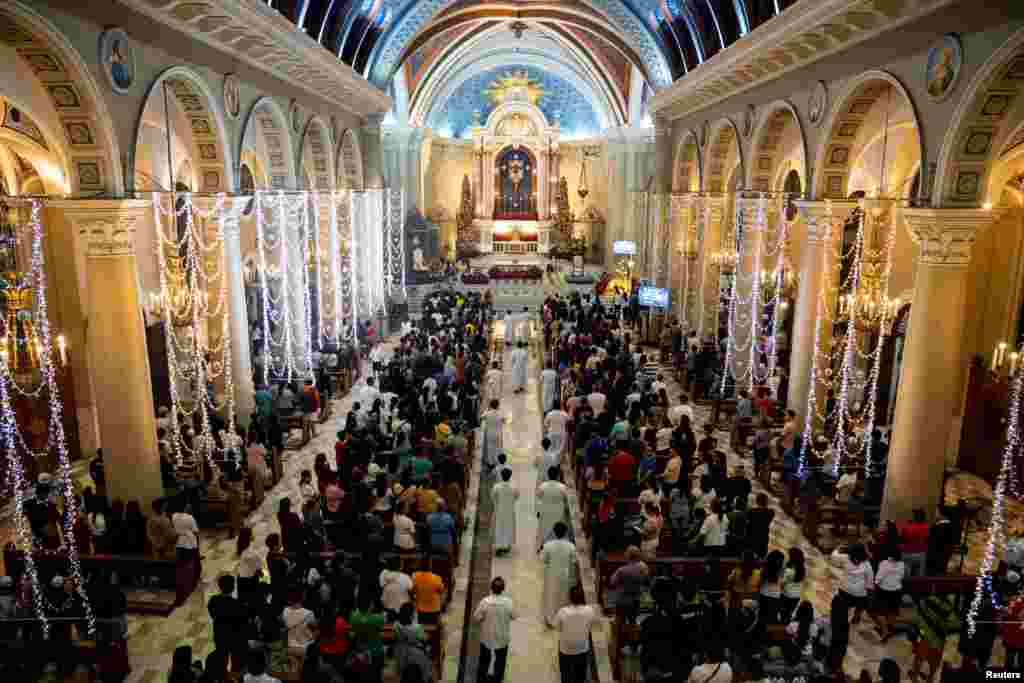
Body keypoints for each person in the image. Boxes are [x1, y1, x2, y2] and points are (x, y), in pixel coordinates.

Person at [473, 577, 518, 683]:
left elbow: (476, 618)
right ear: (503, 589)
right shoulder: (508, 602)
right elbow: (514, 616)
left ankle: (481, 679)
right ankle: (497, 679)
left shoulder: (485, 602)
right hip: (502, 638)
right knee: (500, 661)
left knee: (484, 660)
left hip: (486, 637)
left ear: (491, 588)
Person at [911, 592, 959, 683]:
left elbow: (920, 614)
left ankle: (920, 677)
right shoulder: (936, 599)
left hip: (932, 635)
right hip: (933, 635)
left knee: (924, 657)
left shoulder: (936, 598)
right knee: (926, 657)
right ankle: (925, 677)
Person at [554, 586, 597, 683]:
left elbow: (556, 626)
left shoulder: (563, 612)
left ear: (570, 598)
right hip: (582, 648)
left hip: (566, 649)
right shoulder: (589, 611)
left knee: (566, 675)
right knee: (580, 675)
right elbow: (593, 625)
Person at [208, 575, 247, 672]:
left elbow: (212, 614)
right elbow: (242, 622)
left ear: (219, 587)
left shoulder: (213, 600)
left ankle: (222, 676)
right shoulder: (237, 604)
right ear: (233, 587)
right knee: (236, 661)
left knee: (221, 659)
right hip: (234, 637)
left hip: (219, 634)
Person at [541, 522, 577, 626]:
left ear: (554, 532)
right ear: (566, 532)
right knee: (563, 596)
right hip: (565, 575)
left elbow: (543, 560)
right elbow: (574, 561)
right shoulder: (571, 546)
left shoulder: (548, 545)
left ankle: (550, 619)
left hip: (551, 575)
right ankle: (562, 620)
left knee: (551, 596)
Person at [831, 544, 874, 624]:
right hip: (859, 592)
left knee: (844, 605)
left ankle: (842, 618)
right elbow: (870, 580)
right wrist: (869, 591)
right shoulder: (866, 564)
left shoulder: (845, 558)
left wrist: (837, 549)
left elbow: (834, 559)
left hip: (845, 589)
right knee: (860, 605)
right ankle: (856, 617)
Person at [609, 546, 649, 623]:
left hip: (622, 600)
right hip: (636, 599)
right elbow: (646, 581)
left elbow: (612, 582)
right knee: (632, 621)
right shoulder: (643, 569)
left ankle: (621, 634)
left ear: (627, 556)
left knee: (620, 622)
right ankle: (633, 634)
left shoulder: (621, 570)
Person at [874, 546, 906, 642]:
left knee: (879, 612)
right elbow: (901, 576)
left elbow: (879, 578)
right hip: (897, 591)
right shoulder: (902, 564)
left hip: (884, 591)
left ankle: (885, 631)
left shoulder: (884, 564)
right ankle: (889, 628)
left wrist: (874, 584)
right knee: (892, 611)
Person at [536, 466, 570, 548]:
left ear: (548, 475)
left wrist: (538, 510)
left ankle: (545, 544)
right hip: (558, 511)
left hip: (546, 510)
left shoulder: (542, 486)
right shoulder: (563, 487)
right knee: (557, 528)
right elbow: (566, 499)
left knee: (545, 528)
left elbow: (538, 497)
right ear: (557, 475)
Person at [492, 468, 519, 555]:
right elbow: (516, 497)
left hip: (499, 509)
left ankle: (499, 546)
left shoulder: (496, 487)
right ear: (510, 476)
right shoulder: (513, 487)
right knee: (508, 527)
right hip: (509, 510)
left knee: (499, 527)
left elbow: (493, 497)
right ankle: (506, 545)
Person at [412, 558, 445, 625]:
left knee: (422, 626)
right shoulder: (436, 578)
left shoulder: (415, 576)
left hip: (421, 608)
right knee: (434, 626)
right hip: (434, 608)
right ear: (430, 566)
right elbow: (441, 591)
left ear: (420, 566)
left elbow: (413, 591)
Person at [482, 399, 504, 472]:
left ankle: (491, 464)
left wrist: (487, 410)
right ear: (498, 406)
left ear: (490, 405)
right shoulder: (500, 414)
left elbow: (481, 417)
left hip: (490, 433)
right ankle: (497, 461)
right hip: (498, 433)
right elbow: (504, 420)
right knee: (497, 448)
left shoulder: (487, 413)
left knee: (490, 448)